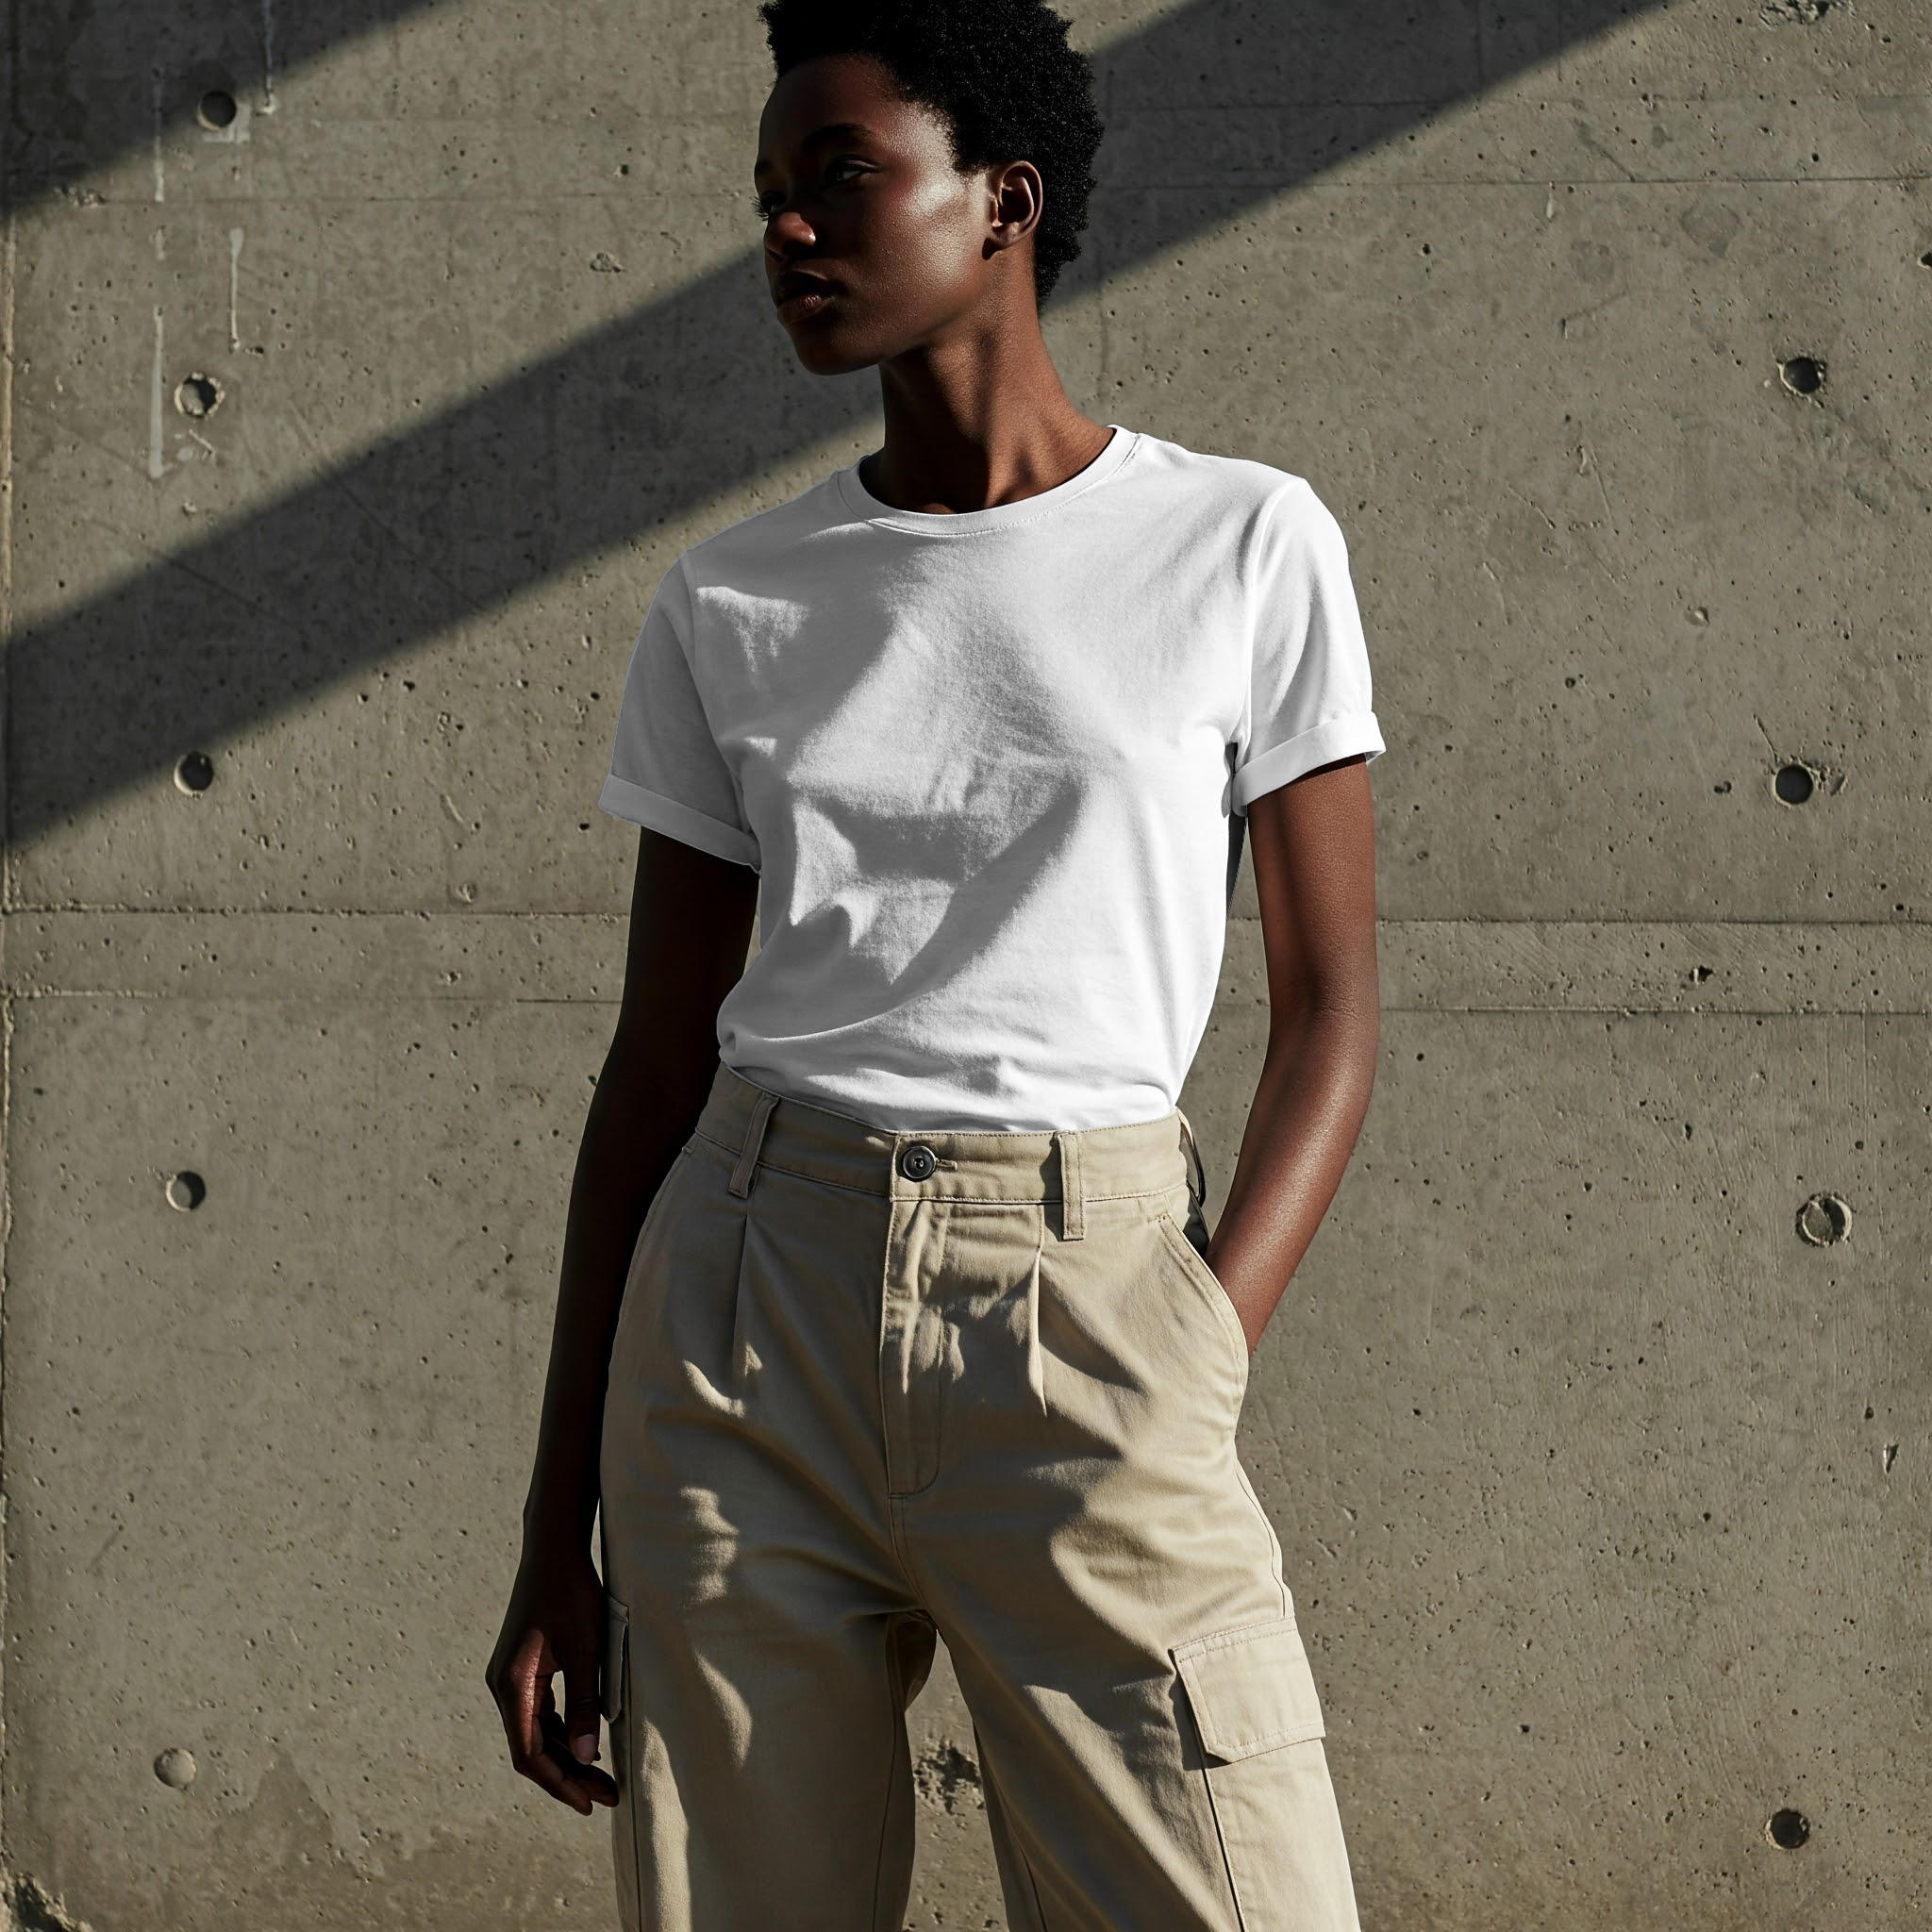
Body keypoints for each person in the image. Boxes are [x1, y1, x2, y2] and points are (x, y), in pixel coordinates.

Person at [486, 2, 1386, 1926]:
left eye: (839, 179)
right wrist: (554, 1524)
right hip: (746, 1314)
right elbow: (651, 1069)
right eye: (766, 199)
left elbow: (1332, 1009)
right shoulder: (735, 600)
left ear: (1002, 202)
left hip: (1086, 1313)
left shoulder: (1241, 547)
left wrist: (1198, 1341)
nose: (788, 235)